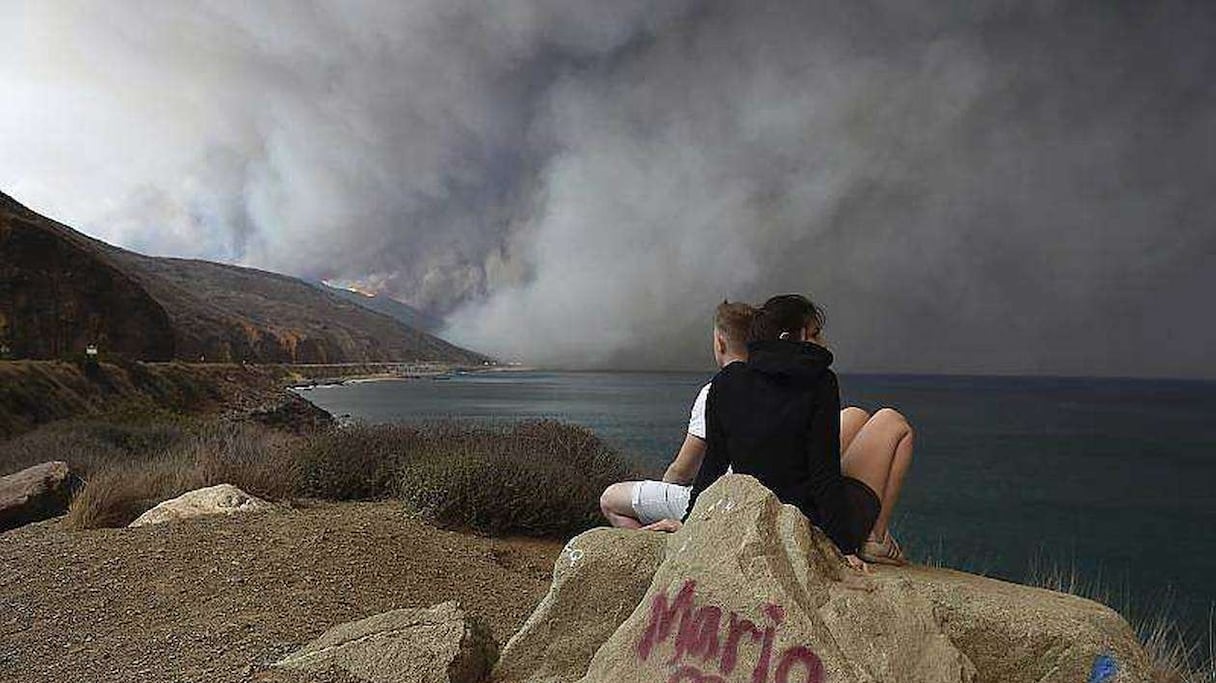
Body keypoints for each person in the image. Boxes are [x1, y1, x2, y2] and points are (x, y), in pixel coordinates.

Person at [686, 294, 912, 568]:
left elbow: (713, 465)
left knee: (855, 416)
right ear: (790, 337)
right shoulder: (818, 381)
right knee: (892, 422)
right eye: (815, 335)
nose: (823, 343)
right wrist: (843, 547)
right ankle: (874, 538)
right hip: (806, 521)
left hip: (760, 508)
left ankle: (870, 535)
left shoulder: (726, 381)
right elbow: (823, 474)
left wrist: (689, 523)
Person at [599, 301, 755, 529]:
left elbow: (682, 470)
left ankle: (654, 554)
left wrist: (667, 490)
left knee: (610, 499)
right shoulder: (779, 386)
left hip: (719, 501)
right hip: (760, 497)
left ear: (720, 343)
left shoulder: (716, 391)